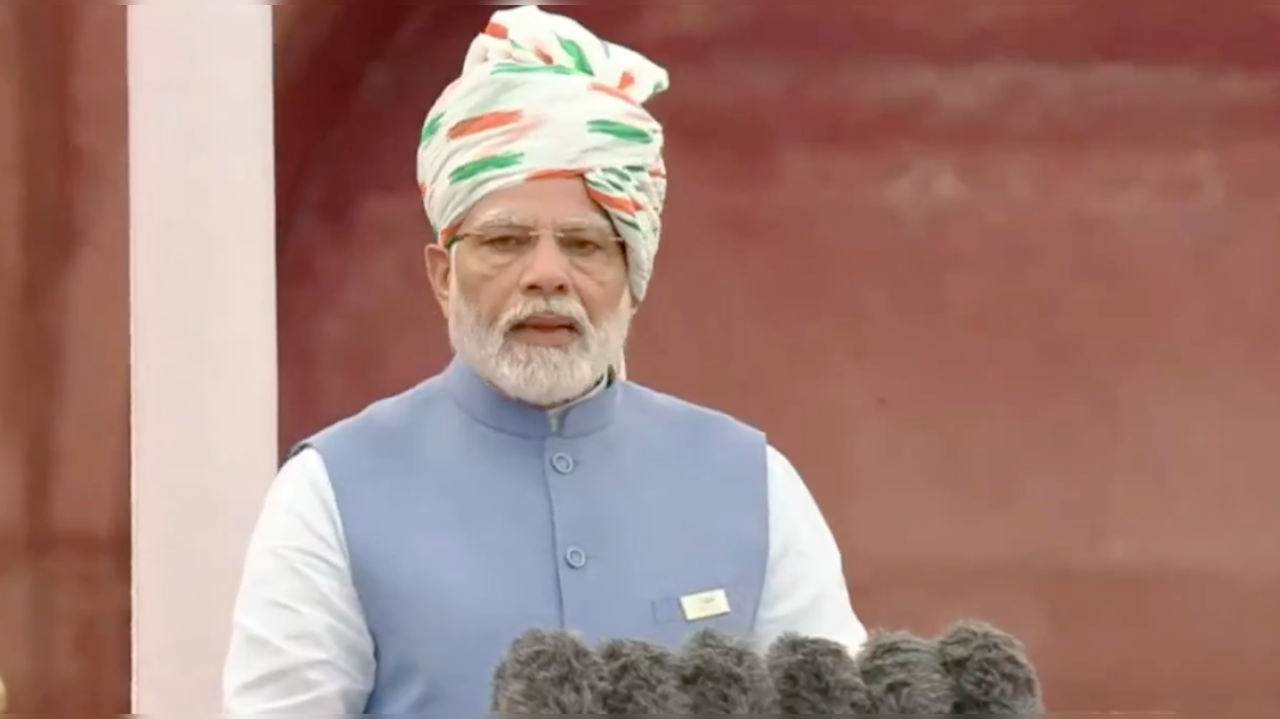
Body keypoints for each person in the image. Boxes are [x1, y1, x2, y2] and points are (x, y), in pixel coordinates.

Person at [222, 5, 865, 714]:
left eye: (586, 245)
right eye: (506, 241)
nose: (547, 275)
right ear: (443, 276)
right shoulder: (329, 494)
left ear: (633, 276)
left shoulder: (754, 485)